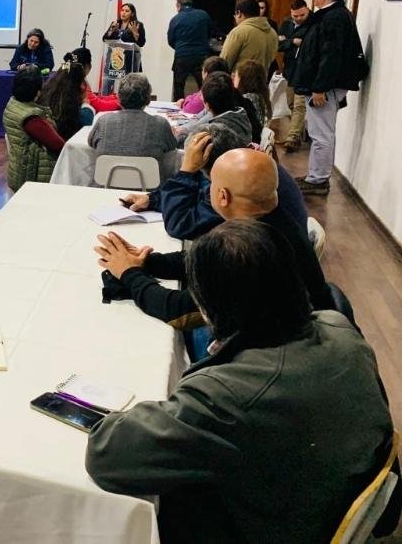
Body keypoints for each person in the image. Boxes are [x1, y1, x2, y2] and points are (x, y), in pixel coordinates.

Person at [87, 219, 394, 544]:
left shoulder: (227, 395)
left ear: (207, 307)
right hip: (323, 497)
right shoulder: (338, 326)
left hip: (272, 524)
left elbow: (106, 454)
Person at [95, 147, 334, 332]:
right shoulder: (273, 219)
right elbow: (202, 258)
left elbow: (177, 312)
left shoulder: (249, 250)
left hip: (271, 352)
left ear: (222, 196)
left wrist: (130, 274)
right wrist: (147, 262)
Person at [119, 122, 308, 241]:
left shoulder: (236, 189)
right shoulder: (246, 163)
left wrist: (186, 170)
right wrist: (153, 199)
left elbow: (181, 225)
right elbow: (199, 190)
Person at [291, 0, 367, 196]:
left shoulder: (334, 17)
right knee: (319, 132)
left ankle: (319, 179)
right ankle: (315, 175)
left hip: (324, 88)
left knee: (321, 133)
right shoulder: (330, 15)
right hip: (321, 85)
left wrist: (320, 87)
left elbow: (331, 55)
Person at [87, 74, 177, 187]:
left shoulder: (103, 121)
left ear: (119, 98)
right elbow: (172, 147)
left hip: (104, 188)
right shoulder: (161, 124)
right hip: (150, 192)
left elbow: (91, 143)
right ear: (148, 99)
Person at [2, 66, 63, 191]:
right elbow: (58, 144)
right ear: (37, 91)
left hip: (19, 169)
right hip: (31, 177)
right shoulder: (31, 118)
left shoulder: (13, 104)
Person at [174, 71, 257, 145]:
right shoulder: (241, 115)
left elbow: (184, 144)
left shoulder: (212, 132)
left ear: (207, 105)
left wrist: (177, 133)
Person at [278, 0, 311, 152]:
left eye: (302, 15)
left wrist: (287, 41)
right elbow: (279, 44)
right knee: (291, 103)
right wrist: (292, 42)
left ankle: (292, 137)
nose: (298, 19)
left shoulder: (313, 24)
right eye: (295, 16)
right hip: (290, 69)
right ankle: (300, 132)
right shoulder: (286, 24)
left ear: (307, 10)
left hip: (304, 69)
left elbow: (309, 44)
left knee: (299, 105)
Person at [167, 0, 213, 101]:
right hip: (201, 56)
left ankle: (178, 106)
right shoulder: (203, 15)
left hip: (181, 56)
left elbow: (171, 40)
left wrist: (180, 48)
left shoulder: (175, 19)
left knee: (179, 87)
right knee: (204, 85)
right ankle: (205, 106)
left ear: (178, 5)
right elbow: (210, 33)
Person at [220, 0, 279, 72]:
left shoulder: (239, 32)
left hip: (239, 77)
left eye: (235, 15)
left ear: (239, 13)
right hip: (262, 77)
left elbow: (224, 62)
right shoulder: (273, 33)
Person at [39, 62, 93, 139]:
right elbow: (86, 126)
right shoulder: (73, 105)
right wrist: (86, 106)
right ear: (80, 84)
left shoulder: (47, 91)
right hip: (65, 142)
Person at [65, 47, 120, 112]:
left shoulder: (66, 76)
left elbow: (95, 98)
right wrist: (121, 102)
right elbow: (99, 105)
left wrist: (115, 97)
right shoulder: (80, 84)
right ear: (87, 66)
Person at [102, 2, 146, 75]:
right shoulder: (115, 23)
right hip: (114, 60)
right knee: (109, 81)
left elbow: (141, 43)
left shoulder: (137, 25)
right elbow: (104, 39)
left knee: (129, 81)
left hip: (130, 61)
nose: (124, 13)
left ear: (132, 14)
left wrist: (135, 33)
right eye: (122, 10)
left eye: (127, 11)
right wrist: (111, 30)